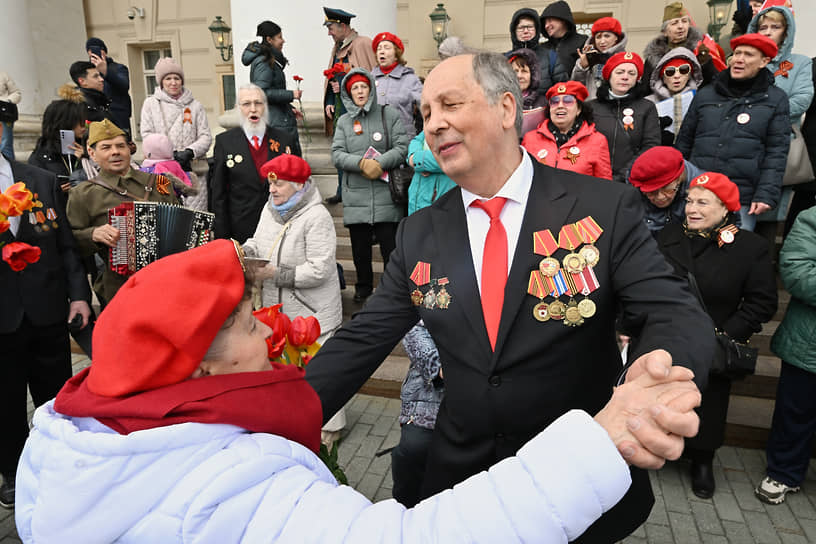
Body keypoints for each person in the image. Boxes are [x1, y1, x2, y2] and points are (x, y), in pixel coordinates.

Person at [14, 238, 701, 541]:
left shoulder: (65, 431)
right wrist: (597, 441)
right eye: (252, 325)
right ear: (199, 370)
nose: (269, 336)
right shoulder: (227, 483)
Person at [307, 52, 715, 543]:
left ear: (506, 109)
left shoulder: (601, 206)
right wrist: (275, 418)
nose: (434, 124)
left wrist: (655, 382)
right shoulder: (419, 233)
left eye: (450, 105)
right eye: (426, 114)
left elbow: (674, 311)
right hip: (464, 489)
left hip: (579, 482)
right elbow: (363, 338)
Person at [657, 172, 777, 498]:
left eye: (703, 202)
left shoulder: (749, 247)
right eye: (690, 201)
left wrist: (723, 334)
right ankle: (657, 449)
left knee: (708, 405)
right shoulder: (669, 236)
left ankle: (702, 460)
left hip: (713, 343)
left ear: (725, 208)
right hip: (666, 337)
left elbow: (762, 302)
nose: (692, 209)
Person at [0, 118, 91, 510]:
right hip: (1, 318)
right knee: (4, 405)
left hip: (48, 310)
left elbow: (67, 247)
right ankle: (14, 475)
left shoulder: (40, 179)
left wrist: (78, 296)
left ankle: (60, 470)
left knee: (55, 401)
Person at [675, 33, 790, 232]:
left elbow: (777, 152)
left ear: (764, 61)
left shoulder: (775, 99)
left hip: (741, 196)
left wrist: (765, 193)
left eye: (748, 55)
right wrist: (675, 183)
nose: (739, 59)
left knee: (733, 255)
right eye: (736, 53)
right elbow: (684, 142)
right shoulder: (706, 94)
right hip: (699, 191)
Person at [65, 119, 178, 305]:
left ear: (129, 149)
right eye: (106, 147)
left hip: (167, 281)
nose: (115, 152)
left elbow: (181, 221)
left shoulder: (159, 182)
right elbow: (70, 241)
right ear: (92, 154)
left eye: (120, 146)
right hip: (120, 289)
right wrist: (93, 234)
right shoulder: (83, 194)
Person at [243, 154, 341, 345]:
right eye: (270, 184)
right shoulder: (269, 208)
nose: (272, 190)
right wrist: (245, 252)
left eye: (278, 184)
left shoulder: (318, 216)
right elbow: (259, 241)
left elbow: (320, 269)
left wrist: (275, 274)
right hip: (277, 319)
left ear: (299, 185)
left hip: (312, 320)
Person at [755, 205, 816, 505]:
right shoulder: (812, 218)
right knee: (796, 411)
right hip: (809, 342)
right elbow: (796, 271)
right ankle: (783, 473)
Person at [331, 68, 408, 303]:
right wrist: (361, 164)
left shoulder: (389, 114)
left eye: (363, 86)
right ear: (348, 93)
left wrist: (381, 163)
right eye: (355, 88)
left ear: (371, 89)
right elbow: (337, 154)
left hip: (386, 194)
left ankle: (391, 290)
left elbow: (402, 146)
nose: (360, 91)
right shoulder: (344, 121)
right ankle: (363, 288)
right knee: (360, 250)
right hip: (357, 197)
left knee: (390, 249)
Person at [210, 84, 298, 244]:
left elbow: (299, 185)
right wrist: (222, 238)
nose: (253, 109)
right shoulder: (225, 142)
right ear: (238, 108)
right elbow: (218, 194)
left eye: (258, 103)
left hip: (280, 227)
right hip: (240, 229)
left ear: (265, 106)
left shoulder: (284, 140)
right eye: (246, 104)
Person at [139, 56, 212, 211]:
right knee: (167, 214)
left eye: (177, 78)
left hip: (192, 169)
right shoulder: (150, 104)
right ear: (161, 82)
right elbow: (146, 135)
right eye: (168, 78)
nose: (173, 82)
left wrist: (190, 152)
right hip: (161, 172)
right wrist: (166, 154)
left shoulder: (195, 106)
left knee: (196, 216)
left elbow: (205, 136)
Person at [323, 7, 377, 205]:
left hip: (357, 108)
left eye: (331, 28)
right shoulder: (337, 47)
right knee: (340, 150)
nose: (329, 32)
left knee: (360, 150)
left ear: (343, 26)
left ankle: (359, 192)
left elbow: (369, 78)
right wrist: (330, 101)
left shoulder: (363, 44)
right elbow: (331, 78)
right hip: (340, 109)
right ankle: (341, 190)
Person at [586, 51, 660, 183]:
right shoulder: (590, 107)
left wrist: (625, 174)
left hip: (630, 179)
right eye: (620, 72)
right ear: (609, 76)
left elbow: (650, 146)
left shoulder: (647, 107)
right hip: (593, 179)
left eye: (631, 73)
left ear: (637, 79)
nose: (625, 77)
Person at [522, 81, 612, 179]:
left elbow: (604, 185)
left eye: (568, 101)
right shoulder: (530, 139)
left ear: (579, 109)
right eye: (554, 101)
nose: (560, 106)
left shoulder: (597, 141)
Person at [241, 20, 302, 156]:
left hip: (278, 119)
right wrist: (291, 95)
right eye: (279, 37)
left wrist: (289, 109)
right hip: (275, 124)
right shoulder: (264, 61)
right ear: (269, 39)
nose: (283, 41)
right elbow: (261, 93)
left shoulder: (269, 59)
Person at [747, 4, 813, 128]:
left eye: (775, 27)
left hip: (783, 134)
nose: (768, 32)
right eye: (763, 28)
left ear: (785, 33)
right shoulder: (745, 61)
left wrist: (763, 115)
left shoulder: (801, 62)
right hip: (746, 135)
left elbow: (801, 99)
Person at [642, 2, 720, 93]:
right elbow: (645, 90)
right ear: (664, 32)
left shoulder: (699, 49)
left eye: (684, 21)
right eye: (674, 23)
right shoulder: (653, 57)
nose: (680, 26)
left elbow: (716, 83)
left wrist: (706, 63)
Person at [628, 146, 703, 235]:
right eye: (651, 192)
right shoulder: (634, 185)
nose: (660, 197)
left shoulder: (703, 191)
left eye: (668, 190)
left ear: (680, 179)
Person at [27, 95, 88, 192]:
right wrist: (55, 190)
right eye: (78, 121)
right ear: (64, 123)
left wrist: (85, 159)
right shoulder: (40, 157)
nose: (83, 126)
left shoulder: (87, 148)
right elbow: (35, 190)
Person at [371, 32, 423, 140]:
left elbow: (425, 106)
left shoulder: (410, 79)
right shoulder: (369, 79)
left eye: (387, 48)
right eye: (379, 48)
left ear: (396, 54)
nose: (382, 51)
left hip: (402, 139)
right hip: (375, 139)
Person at [645, 47, 703, 145]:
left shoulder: (701, 100)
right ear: (662, 78)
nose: (677, 76)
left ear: (690, 75)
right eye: (670, 71)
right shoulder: (647, 103)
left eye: (683, 70)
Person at [572, 17, 628, 101]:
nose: (602, 41)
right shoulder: (588, 58)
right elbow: (576, 86)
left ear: (616, 38)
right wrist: (582, 67)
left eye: (607, 36)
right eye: (598, 37)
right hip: (591, 108)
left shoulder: (626, 59)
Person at [537, 1, 588, 92]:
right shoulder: (542, 48)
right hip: (548, 99)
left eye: (549, 20)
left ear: (562, 19)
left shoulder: (583, 41)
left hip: (575, 96)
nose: (546, 26)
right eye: (544, 23)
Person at [85, 37, 131, 133]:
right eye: (90, 54)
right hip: (97, 120)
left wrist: (105, 72)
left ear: (104, 52)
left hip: (118, 119)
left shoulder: (118, 68)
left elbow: (124, 85)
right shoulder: (89, 71)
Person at [68, 61, 114, 126]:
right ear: (82, 81)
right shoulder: (81, 105)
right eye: (96, 76)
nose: (101, 79)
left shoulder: (98, 99)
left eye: (100, 75)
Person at [0, 72, 21, 159]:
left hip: (3, 115)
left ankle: (10, 169)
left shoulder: (3, 75)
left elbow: (17, 93)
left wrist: (7, 102)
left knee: (6, 145)